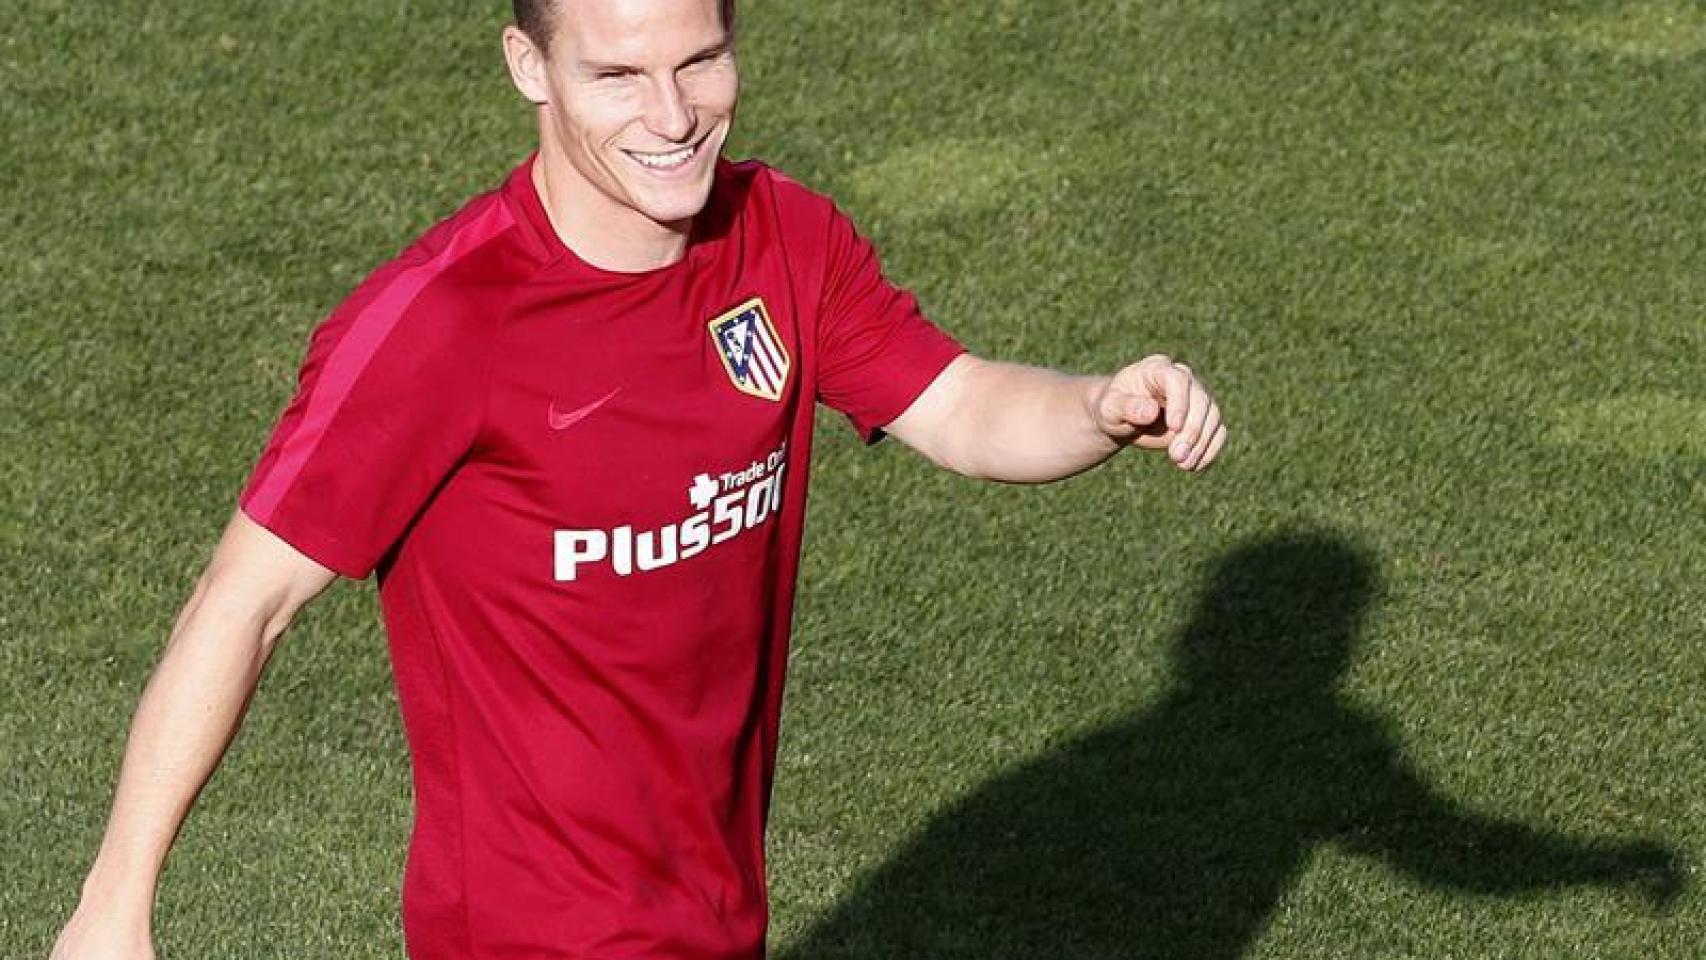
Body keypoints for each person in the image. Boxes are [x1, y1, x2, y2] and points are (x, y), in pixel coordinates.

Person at [50, 0, 1226, 957]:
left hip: (712, 900)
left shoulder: (781, 236)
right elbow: (243, 599)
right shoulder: (439, 325)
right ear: (530, 66)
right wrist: (116, 904)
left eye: (700, 61)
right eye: (617, 76)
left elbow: (960, 405)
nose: (672, 116)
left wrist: (1093, 405)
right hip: (529, 930)